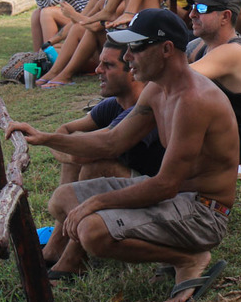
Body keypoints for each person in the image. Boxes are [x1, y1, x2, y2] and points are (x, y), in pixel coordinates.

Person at [6, 9, 238, 302]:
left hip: (204, 212)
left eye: (136, 48)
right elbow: (111, 140)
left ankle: (188, 258)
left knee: (91, 231)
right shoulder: (157, 89)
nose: (128, 57)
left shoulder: (194, 100)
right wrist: (45, 137)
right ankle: (163, 254)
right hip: (175, 199)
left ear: (166, 49)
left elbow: (166, 185)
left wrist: (97, 203)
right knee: (63, 198)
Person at [39, 40, 165, 268]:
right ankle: (59, 241)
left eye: (107, 65)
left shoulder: (143, 108)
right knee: (79, 147)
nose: (97, 71)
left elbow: (84, 150)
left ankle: (71, 256)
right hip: (131, 187)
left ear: (132, 72)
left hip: (161, 196)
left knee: (95, 164)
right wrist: (72, 148)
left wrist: (65, 146)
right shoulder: (112, 104)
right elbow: (66, 132)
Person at [184, 0, 241, 163]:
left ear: (225, 16)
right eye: (192, 7)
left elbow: (178, 78)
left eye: (201, 8)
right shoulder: (200, 46)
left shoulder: (234, 52)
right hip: (215, 136)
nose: (192, 14)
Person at [38, 0, 121, 87]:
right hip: (101, 49)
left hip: (114, 54)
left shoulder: (119, 4)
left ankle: (63, 74)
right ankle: (56, 72)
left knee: (85, 30)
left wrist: (72, 14)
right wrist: (49, 43)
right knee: (57, 47)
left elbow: (93, 26)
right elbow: (85, 19)